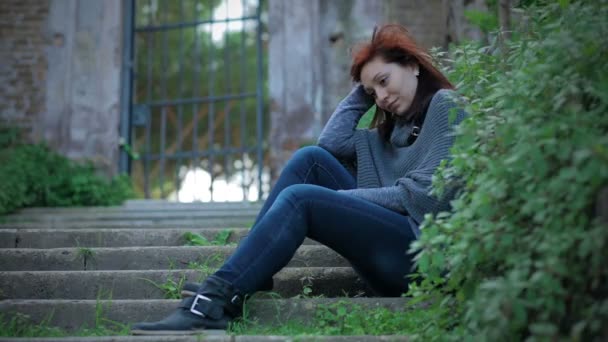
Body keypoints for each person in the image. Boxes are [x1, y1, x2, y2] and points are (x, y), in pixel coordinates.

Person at [131, 24, 467, 335]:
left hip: (422, 258)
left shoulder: (446, 106)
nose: (381, 97)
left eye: (384, 81)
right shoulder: (393, 131)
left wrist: (338, 201)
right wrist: (361, 90)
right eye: (372, 92)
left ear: (412, 65)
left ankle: (213, 303)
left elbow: (426, 195)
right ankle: (252, 273)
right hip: (393, 245)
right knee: (309, 160)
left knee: (302, 197)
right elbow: (330, 145)